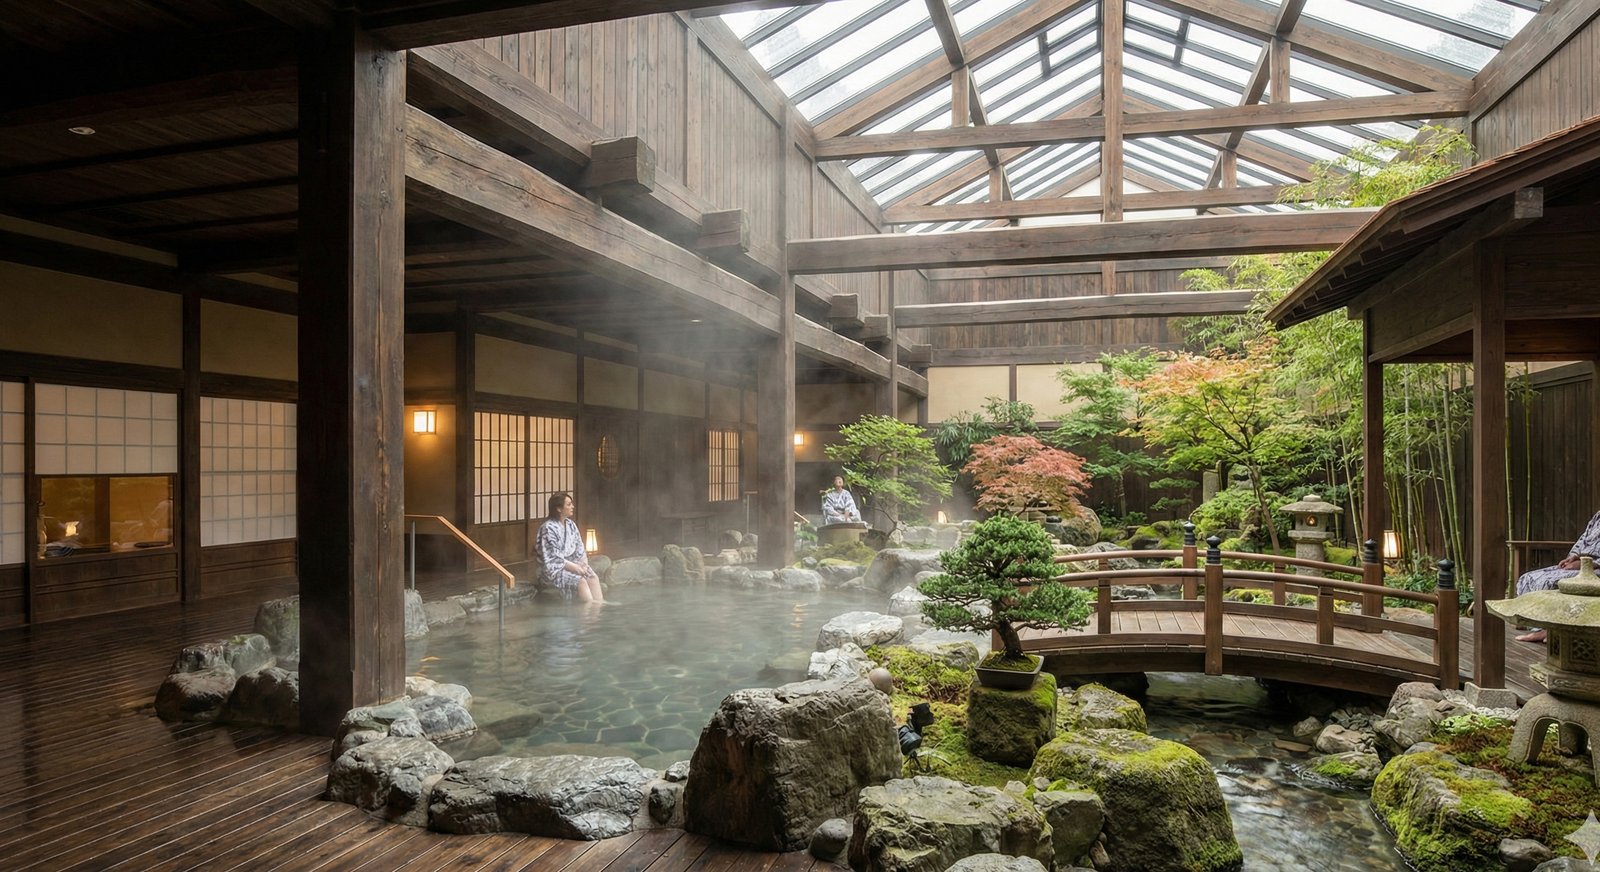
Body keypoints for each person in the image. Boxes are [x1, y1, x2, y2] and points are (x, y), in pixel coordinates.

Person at [1514, 509, 1600, 642]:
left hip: (1593, 569)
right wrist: (1572, 558)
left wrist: (1589, 564)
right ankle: (1538, 627)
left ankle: (1550, 630)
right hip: (1581, 562)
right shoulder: (1598, 516)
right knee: (1529, 577)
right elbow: (1583, 540)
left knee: (1552, 582)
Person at [537, 491, 606, 603]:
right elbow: (553, 558)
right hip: (553, 569)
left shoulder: (570, 524)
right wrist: (575, 568)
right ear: (559, 509)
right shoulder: (548, 528)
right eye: (569, 504)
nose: (572, 507)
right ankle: (591, 608)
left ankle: (601, 603)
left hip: (573, 563)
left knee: (592, 576)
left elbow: (580, 547)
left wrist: (583, 564)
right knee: (581, 581)